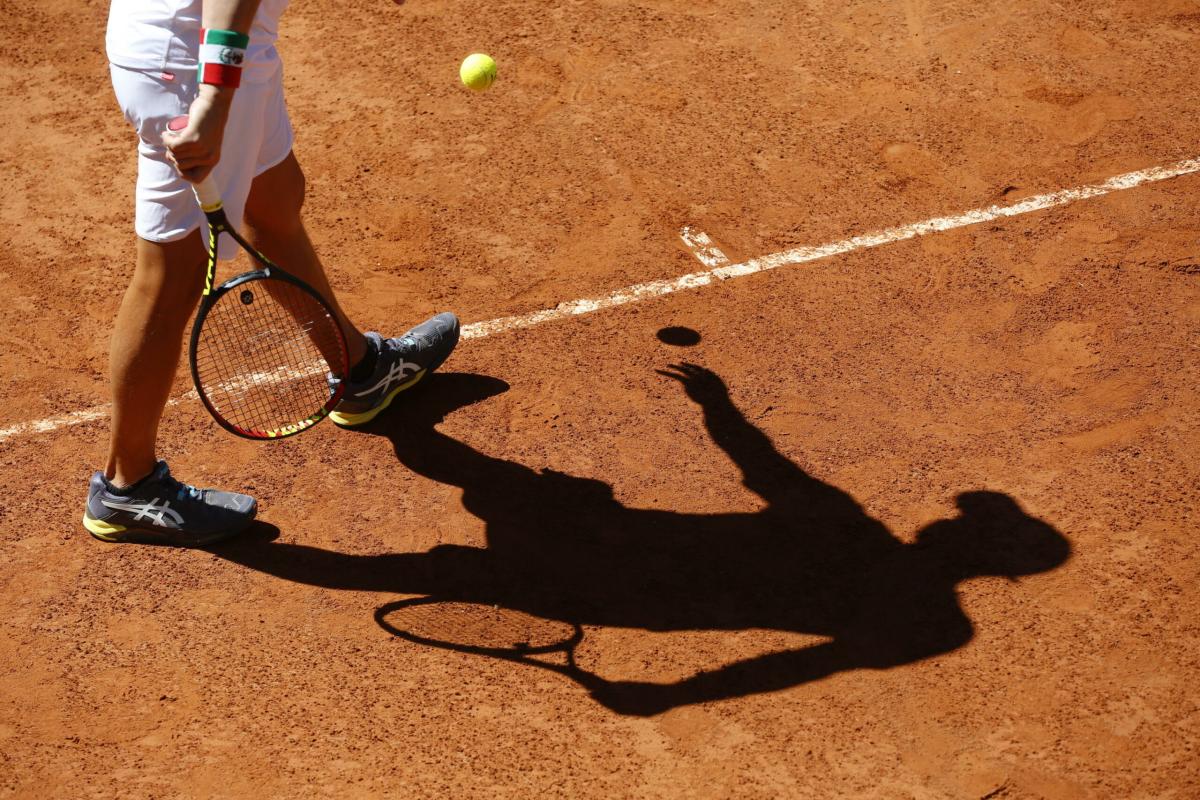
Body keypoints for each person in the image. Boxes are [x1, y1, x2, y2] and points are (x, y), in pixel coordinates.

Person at [83, 0, 459, 547]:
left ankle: (360, 371)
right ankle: (128, 486)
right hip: (199, 61)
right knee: (173, 273)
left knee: (273, 201)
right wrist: (213, 97)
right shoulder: (208, 73)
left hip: (224, 47)